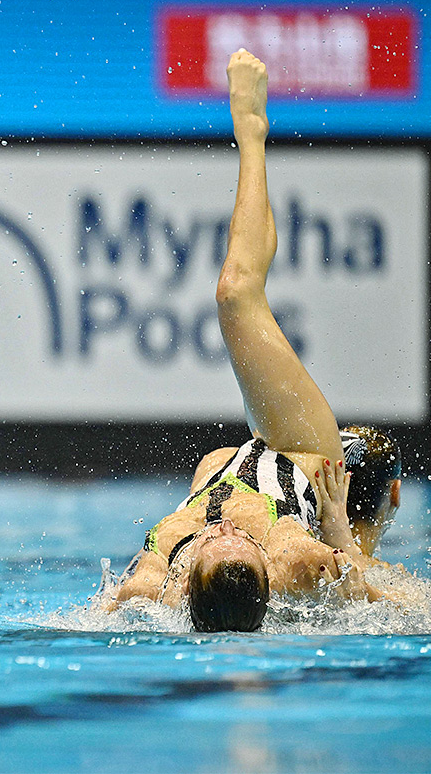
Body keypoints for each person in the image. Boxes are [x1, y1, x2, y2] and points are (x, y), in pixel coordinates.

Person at [109, 50, 404, 631]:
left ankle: (253, 145)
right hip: (300, 451)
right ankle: (251, 132)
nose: (225, 531)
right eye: (242, 542)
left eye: (213, 544)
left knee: (242, 293)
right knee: (236, 295)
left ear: (186, 577)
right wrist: (341, 537)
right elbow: (401, 604)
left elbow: (95, 620)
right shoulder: (296, 560)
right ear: (268, 568)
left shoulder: (155, 578)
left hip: (239, 466)